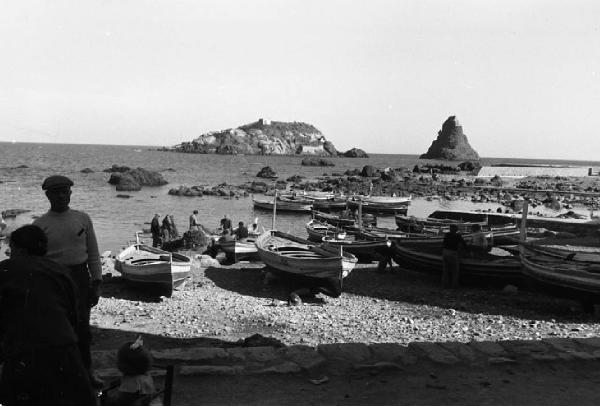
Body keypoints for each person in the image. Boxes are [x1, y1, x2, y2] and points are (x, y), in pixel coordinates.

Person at [0, 225, 96, 405]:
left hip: (23, 354)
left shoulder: (4, 270)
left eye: (11, 249)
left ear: (19, 249)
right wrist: (85, 367)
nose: (10, 253)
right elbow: (79, 322)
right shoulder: (61, 272)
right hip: (65, 350)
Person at [32, 175, 104, 388]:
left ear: (71, 193)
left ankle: (87, 372)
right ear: (48, 195)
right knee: (56, 329)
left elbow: (93, 252)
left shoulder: (83, 218)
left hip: (81, 278)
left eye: (66, 191)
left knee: (83, 329)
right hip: (53, 281)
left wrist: (97, 281)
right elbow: (37, 262)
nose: (62, 195)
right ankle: (60, 375)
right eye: (57, 192)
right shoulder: (40, 225)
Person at [441, 224, 466, 289]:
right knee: (455, 271)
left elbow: (443, 244)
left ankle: (445, 285)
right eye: (457, 228)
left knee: (445, 270)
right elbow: (464, 244)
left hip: (445, 252)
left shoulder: (447, 235)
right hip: (453, 253)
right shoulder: (458, 235)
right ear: (456, 229)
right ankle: (454, 286)